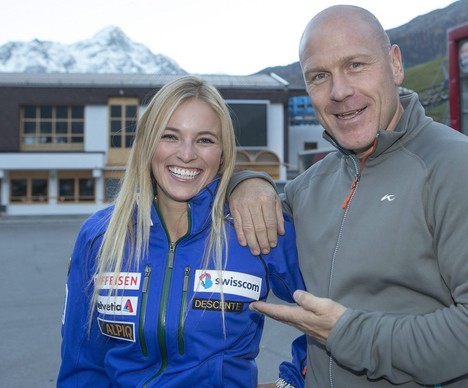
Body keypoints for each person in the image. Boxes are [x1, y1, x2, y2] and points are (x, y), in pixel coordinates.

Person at [228, 5, 468, 388]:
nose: (339, 91)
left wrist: (346, 332)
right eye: (319, 76)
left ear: (395, 65)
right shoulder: (308, 187)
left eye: (355, 65)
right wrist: (249, 180)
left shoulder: (458, 167)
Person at [57, 75, 305, 387]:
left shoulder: (254, 223)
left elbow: (334, 312)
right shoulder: (100, 235)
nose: (186, 154)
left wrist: (295, 381)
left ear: (222, 152)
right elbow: (81, 366)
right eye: (170, 136)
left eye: (205, 140)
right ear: (147, 143)